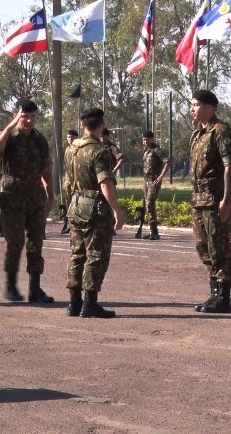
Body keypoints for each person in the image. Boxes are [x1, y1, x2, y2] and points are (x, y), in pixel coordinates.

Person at [0, 99, 55, 303]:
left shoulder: (39, 140)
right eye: (25, 116)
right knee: (15, 242)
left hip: (35, 199)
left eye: (32, 116)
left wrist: (50, 196)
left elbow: (46, 171)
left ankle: (35, 288)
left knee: (36, 243)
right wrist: (9, 127)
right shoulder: (9, 137)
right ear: (16, 116)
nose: (29, 120)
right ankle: (10, 284)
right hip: (12, 199)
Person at [64, 108, 126, 318]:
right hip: (94, 208)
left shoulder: (72, 149)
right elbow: (105, 182)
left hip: (75, 204)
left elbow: (68, 182)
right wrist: (116, 210)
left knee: (77, 253)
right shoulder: (100, 151)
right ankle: (90, 303)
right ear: (101, 125)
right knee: (96, 255)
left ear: (82, 125)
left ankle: (74, 302)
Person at [188, 90, 231, 314]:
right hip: (198, 199)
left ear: (210, 107)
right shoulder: (198, 134)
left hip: (215, 199)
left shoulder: (221, 131)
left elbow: (230, 166)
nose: (192, 109)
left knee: (219, 247)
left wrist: (226, 200)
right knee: (203, 247)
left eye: (196, 105)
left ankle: (224, 298)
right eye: (192, 104)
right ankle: (214, 293)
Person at [141, 130, 170, 240]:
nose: (145, 141)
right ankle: (152, 231)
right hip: (146, 182)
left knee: (150, 205)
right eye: (143, 139)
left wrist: (160, 176)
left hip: (154, 182)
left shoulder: (157, 150)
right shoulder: (146, 151)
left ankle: (155, 232)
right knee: (147, 206)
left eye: (147, 139)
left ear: (152, 139)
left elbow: (167, 161)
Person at [59, 129, 79, 235]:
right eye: (68, 137)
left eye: (71, 137)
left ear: (76, 137)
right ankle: (69, 225)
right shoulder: (67, 149)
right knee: (68, 204)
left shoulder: (79, 148)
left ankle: (75, 225)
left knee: (76, 204)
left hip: (76, 181)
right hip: (68, 181)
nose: (69, 139)